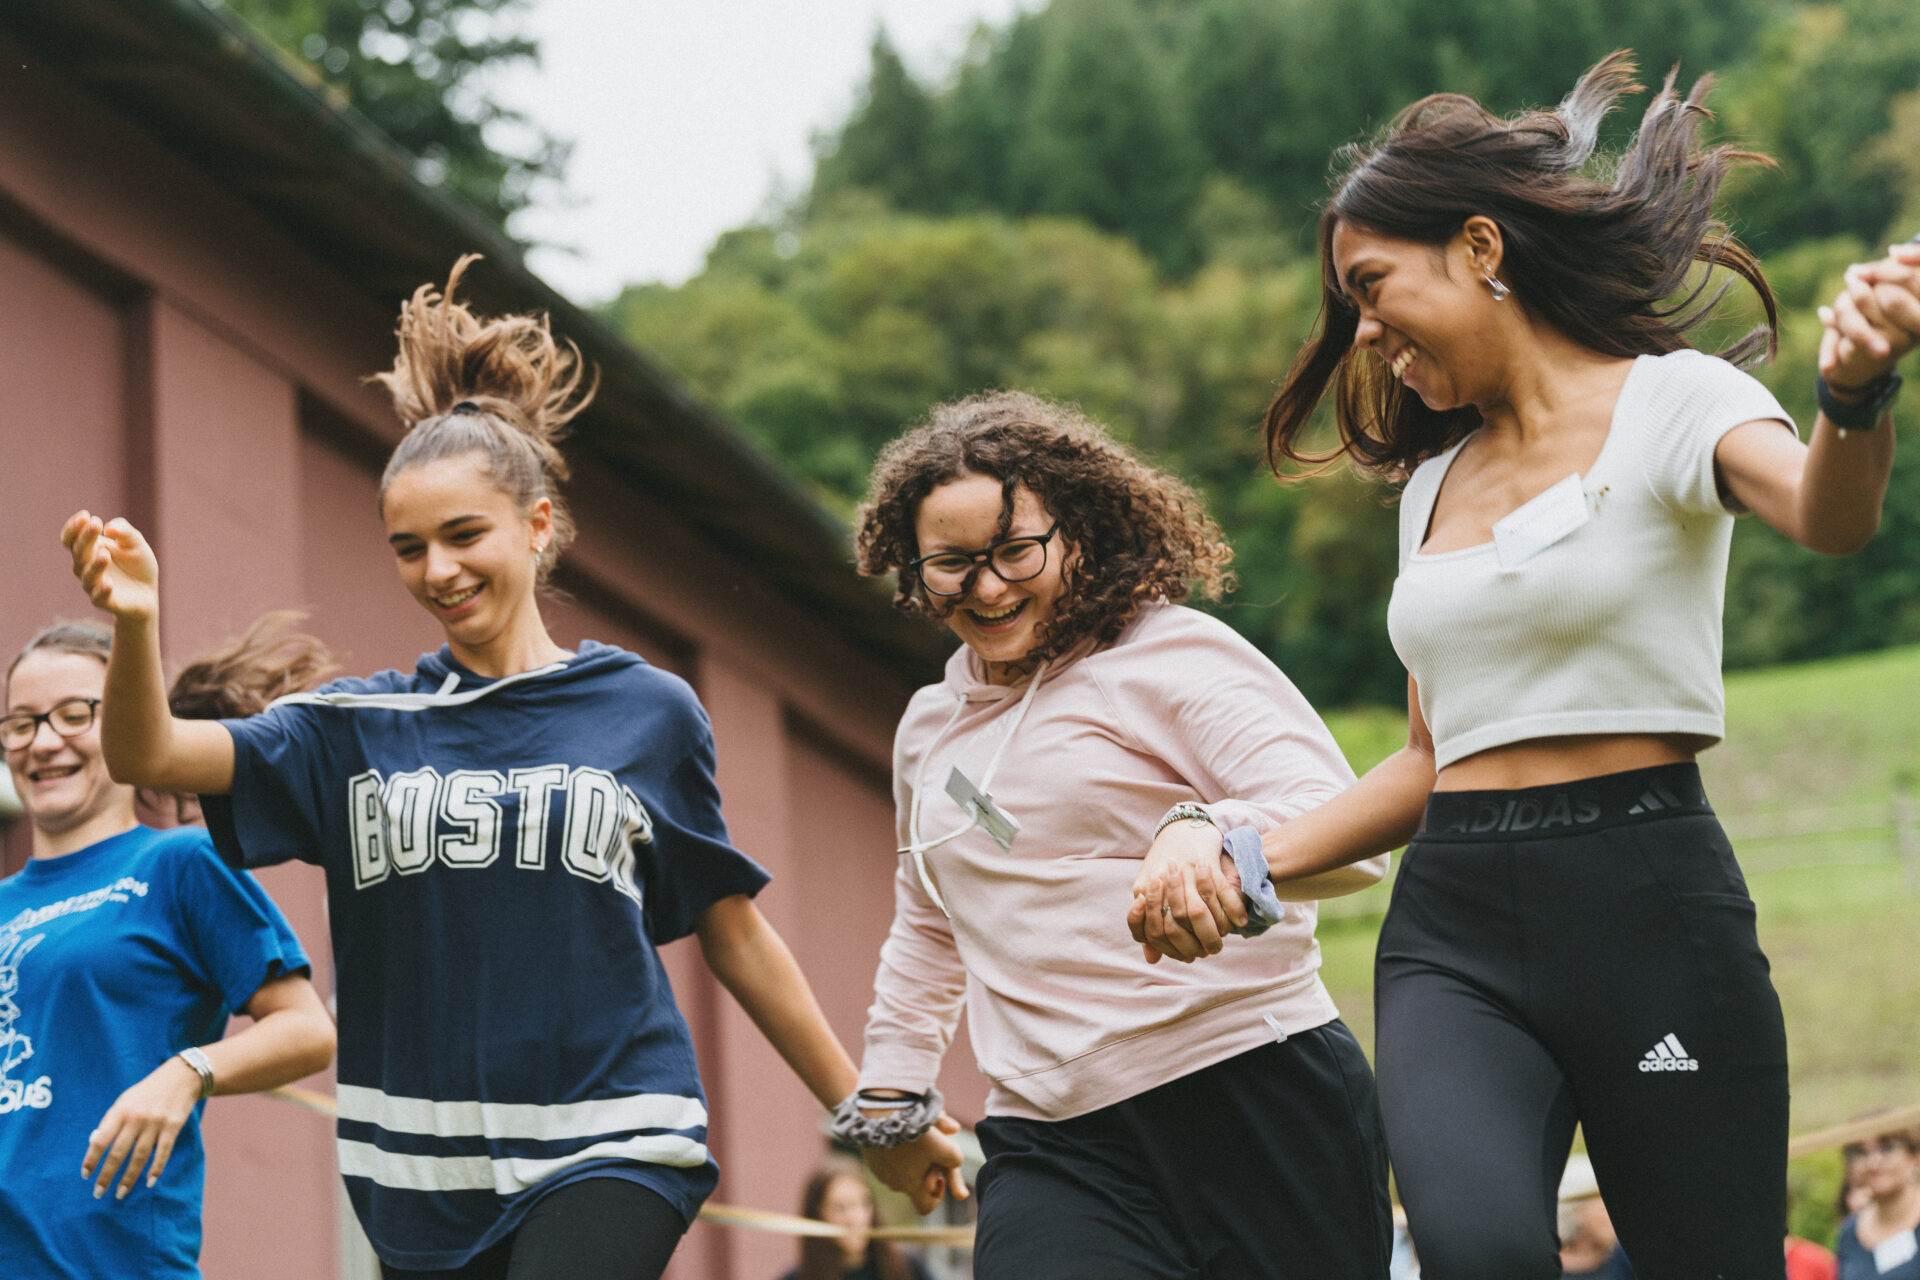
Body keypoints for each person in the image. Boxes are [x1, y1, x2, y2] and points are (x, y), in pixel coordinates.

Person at [1137, 53, 1920, 1279]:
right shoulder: (1431, 487)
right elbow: (1425, 760)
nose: (1364, 328)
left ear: (1482, 250)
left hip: (1650, 901)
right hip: (1454, 929)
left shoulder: (1676, 402)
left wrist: (1854, 392)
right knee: (1480, 1249)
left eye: (1374, 285)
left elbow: (1830, 516)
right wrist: (1235, 850)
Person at [60, 256, 957, 1279]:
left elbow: (734, 930)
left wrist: (864, 1110)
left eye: (462, 534)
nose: (436, 571)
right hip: (417, 1169)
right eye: (407, 547)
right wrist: (133, 623)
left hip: (613, 1137)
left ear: (536, 527)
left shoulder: (645, 710)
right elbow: (150, 753)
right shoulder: (352, 727)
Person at [848, 391, 1393, 1279]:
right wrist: (892, 1094)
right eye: (951, 563)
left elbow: (1345, 825)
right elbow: (931, 924)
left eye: (1015, 550)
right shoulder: (928, 728)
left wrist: (1203, 829)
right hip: (1050, 1140)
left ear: (1078, 533)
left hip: (1253, 1091)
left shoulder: (1167, 657)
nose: (986, 587)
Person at [0, 621, 336, 1277]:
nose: (43, 742)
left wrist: (185, 1074)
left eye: (73, 716)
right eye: (20, 723)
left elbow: (307, 1032)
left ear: (128, 720)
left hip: (109, 1263)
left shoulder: (181, 865)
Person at [777, 1157, 932, 1280]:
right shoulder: (798, 1277)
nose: (855, 1218)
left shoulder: (907, 1267)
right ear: (819, 1215)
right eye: (840, 1208)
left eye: (862, 1204)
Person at [1836, 1127, 1920, 1280]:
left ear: (1915, 1156)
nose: (1873, 1163)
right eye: (1861, 1152)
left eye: (1887, 1148)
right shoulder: (1849, 1231)